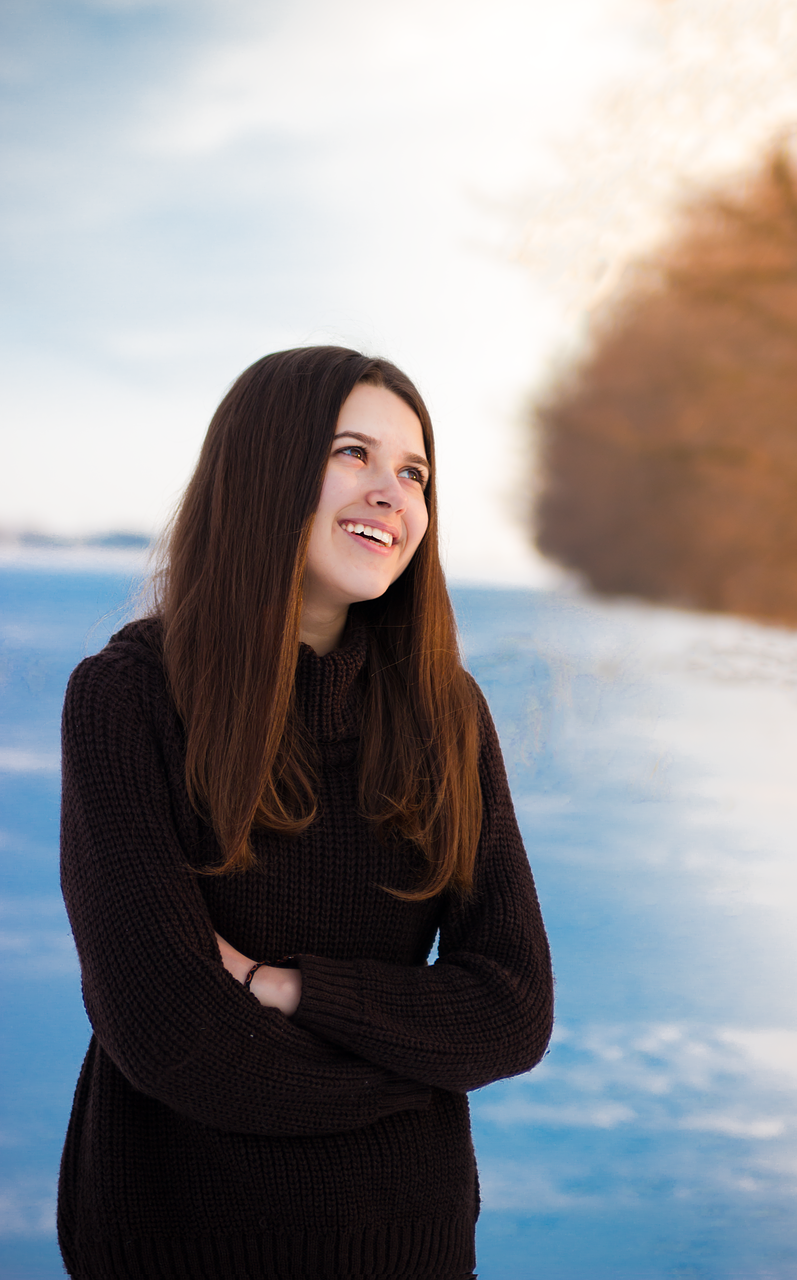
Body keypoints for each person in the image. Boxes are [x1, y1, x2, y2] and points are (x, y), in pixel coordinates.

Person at [58, 346, 554, 1280]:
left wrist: (285, 989)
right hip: (174, 1245)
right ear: (265, 468)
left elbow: (514, 1008)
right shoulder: (126, 702)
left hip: (407, 1246)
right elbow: (172, 1035)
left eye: (413, 472)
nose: (391, 495)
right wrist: (415, 1065)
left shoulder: (446, 713)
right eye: (351, 454)